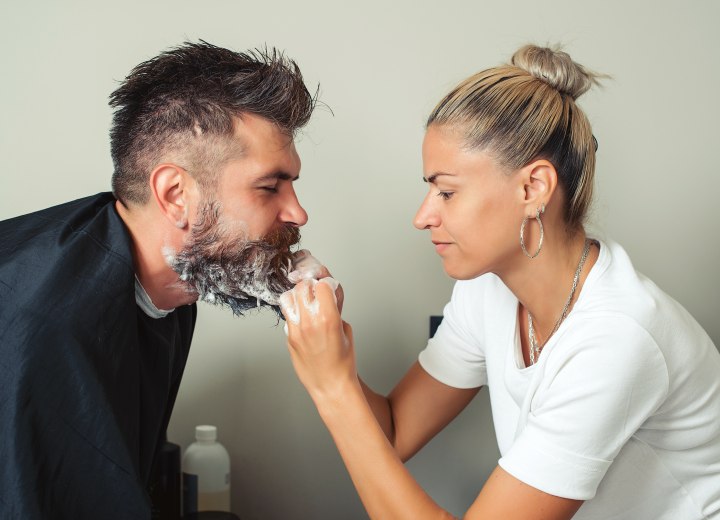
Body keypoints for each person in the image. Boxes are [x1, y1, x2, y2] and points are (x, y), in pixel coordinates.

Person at [280, 44, 720, 519]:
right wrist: (332, 357)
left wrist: (333, 388)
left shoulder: (617, 336)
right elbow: (392, 432)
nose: (423, 216)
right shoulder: (486, 289)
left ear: (533, 188)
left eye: (446, 191)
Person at [0, 41, 317, 519]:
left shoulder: (174, 281)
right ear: (175, 195)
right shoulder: (50, 326)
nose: (298, 212)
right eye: (270, 187)